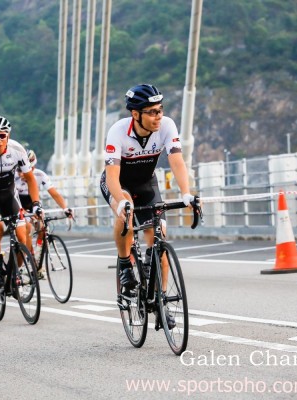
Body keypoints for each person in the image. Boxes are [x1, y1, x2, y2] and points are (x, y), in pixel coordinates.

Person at [100, 84, 196, 329]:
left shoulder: (167, 126)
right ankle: (125, 263)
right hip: (118, 183)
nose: (158, 116)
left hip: (146, 184)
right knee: (126, 213)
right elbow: (112, 176)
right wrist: (121, 201)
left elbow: (177, 161)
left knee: (159, 240)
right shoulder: (118, 131)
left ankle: (160, 302)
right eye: (152, 112)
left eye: (160, 110)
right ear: (136, 114)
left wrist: (187, 194)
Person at [0, 115, 42, 289]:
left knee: (22, 236)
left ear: (8, 136)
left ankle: (15, 273)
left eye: (2, 136)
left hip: (10, 195)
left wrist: (36, 204)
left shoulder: (17, 150)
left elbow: (30, 179)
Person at [15, 149, 73, 278]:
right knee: (27, 227)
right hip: (18, 203)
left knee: (42, 227)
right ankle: (27, 258)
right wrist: (22, 211)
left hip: (33, 203)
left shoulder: (40, 175)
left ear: (33, 167)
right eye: (19, 170)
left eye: (25, 170)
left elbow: (54, 194)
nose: (22, 174)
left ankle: (38, 258)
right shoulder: (14, 177)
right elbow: (12, 198)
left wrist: (65, 208)